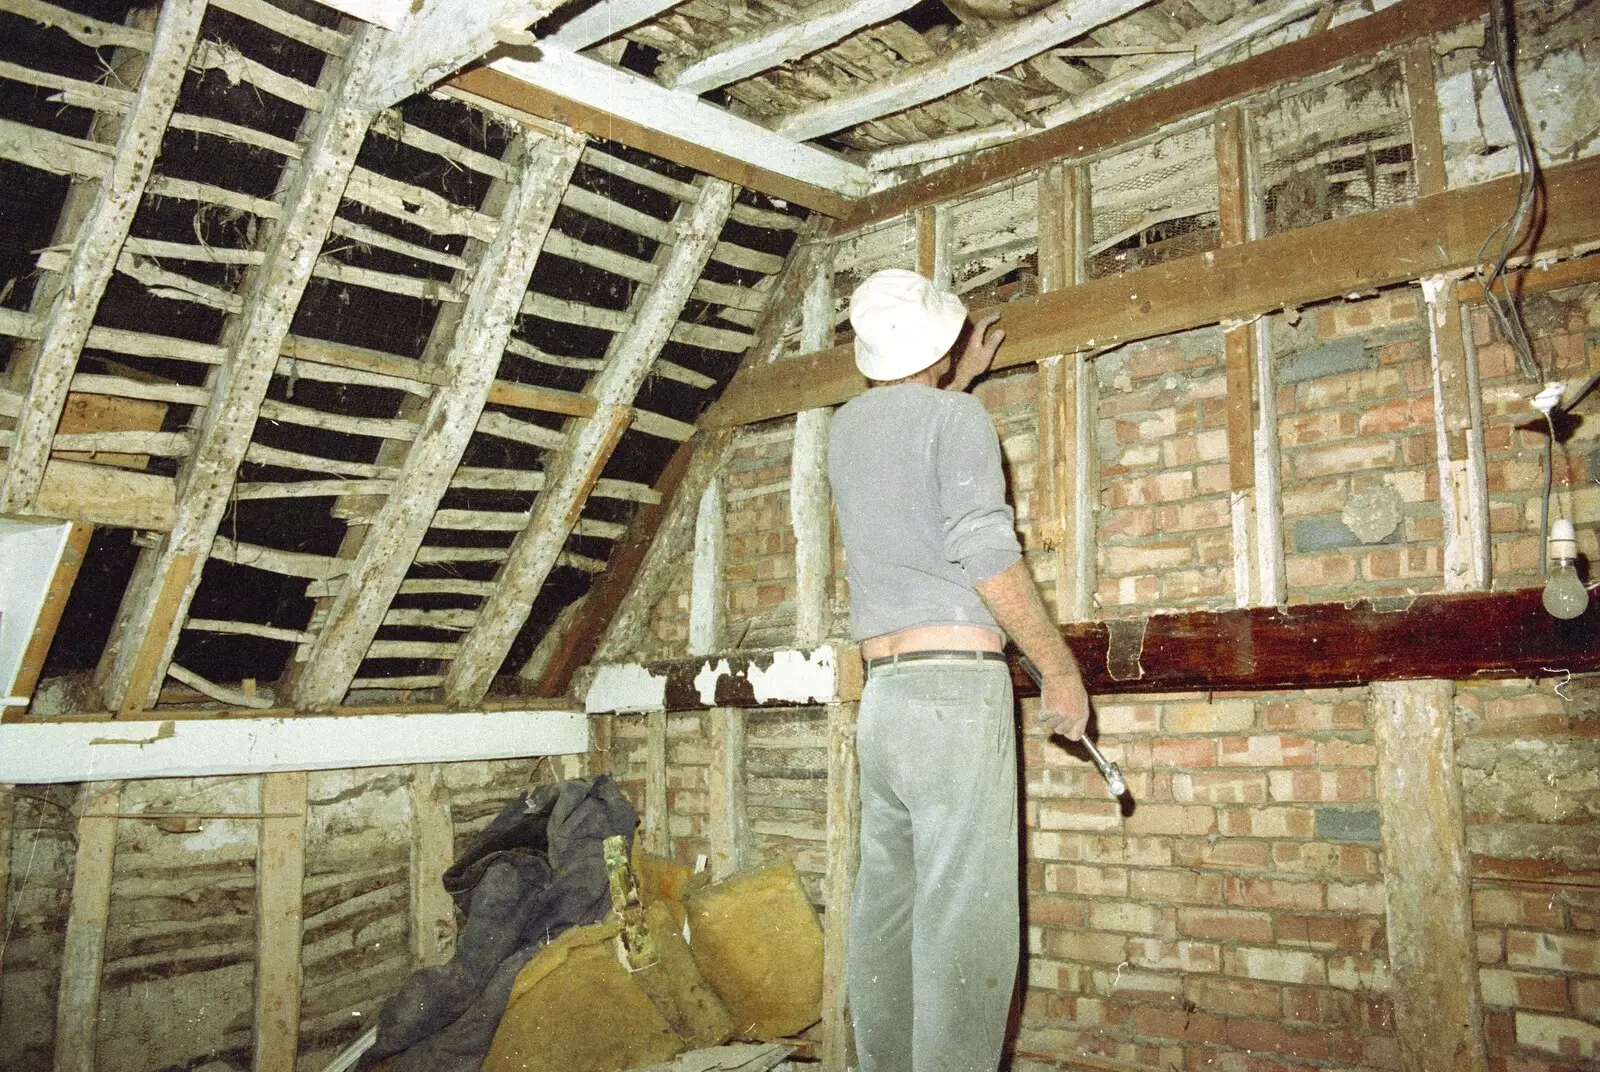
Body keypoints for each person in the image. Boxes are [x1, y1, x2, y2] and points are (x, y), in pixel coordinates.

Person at [827, 268, 1092, 1072]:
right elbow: (984, 552)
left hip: (887, 702)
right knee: (965, 930)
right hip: (955, 691)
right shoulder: (957, 419)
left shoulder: (845, 429)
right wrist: (1059, 669)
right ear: (939, 347)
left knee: (890, 916)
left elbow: (903, 456)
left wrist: (951, 375)